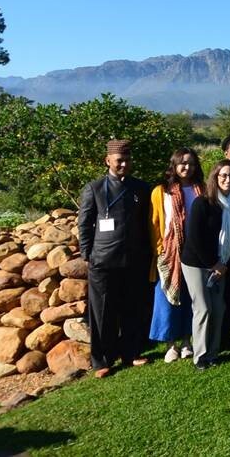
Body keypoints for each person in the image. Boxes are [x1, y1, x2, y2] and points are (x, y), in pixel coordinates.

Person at [78, 139, 152, 377]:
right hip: (103, 260)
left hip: (134, 259)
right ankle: (102, 361)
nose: (123, 164)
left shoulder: (141, 188)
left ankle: (131, 353)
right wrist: (87, 254)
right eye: (119, 160)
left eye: (127, 160)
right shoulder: (95, 188)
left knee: (132, 308)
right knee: (102, 312)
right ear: (107, 161)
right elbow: (85, 224)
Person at [181, 159, 230, 370]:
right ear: (214, 177)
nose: (227, 179)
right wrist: (214, 264)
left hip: (220, 263)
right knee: (203, 309)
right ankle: (200, 357)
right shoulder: (202, 202)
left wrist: (221, 264)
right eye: (223, 175)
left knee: (218, 308)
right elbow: (195, 238)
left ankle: (213, 353)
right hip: (197, 263)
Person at [149, 148, 201, 364]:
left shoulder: (201, 190)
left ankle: (187, 341)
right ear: (174, 165)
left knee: (191, 298)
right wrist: (161, 249)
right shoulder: (161, 191)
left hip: (194, 252)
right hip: (169, 254)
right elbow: (154, 224)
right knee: (167, 299)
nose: (186, 167)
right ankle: (171, 344)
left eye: (190, 163)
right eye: (182, 163)